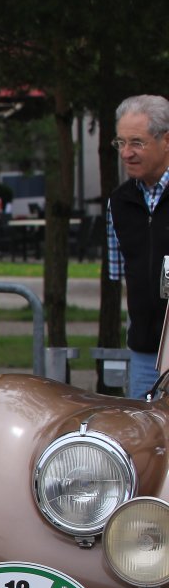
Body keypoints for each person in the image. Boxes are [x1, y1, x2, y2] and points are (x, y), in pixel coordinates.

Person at [104, 95, 169, 398]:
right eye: (121, 143)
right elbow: (121, 275)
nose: (126, 153)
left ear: (166, 141)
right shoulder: (118, 203)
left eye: (137, 143)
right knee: (144, 429)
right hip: (144, 354)